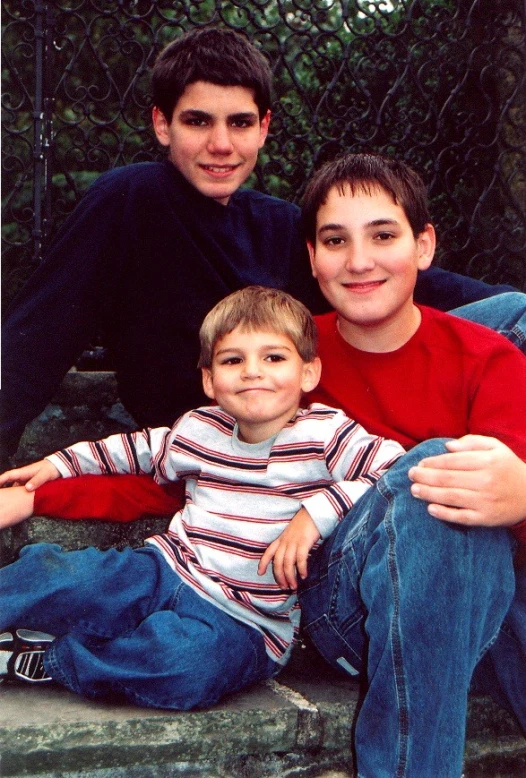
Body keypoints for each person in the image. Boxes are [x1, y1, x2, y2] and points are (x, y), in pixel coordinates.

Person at [1, 26, 524, 475]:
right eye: (199, 121)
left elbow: (414, 281)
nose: (222, 145)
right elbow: (38, 334)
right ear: (163, 124)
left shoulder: (277, 221)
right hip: (232, 436)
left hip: (326, 413)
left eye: (240, 123)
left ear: (264, 126)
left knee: (516, 311)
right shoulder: (132, 200)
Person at [0, 286, 405, 708]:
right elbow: (135, 450)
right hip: (165, 569)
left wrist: (315, 515)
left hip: (244, 622)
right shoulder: (199, 429)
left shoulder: (327, 434)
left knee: (184, 665)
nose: (252, 372)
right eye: (233, 360)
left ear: (308, 373)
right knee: (65, 574)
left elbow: (395, 471)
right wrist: (58, 465)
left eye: (274, 357)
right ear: (210, 380)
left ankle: (57, 659)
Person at [294, 152, 525, 778]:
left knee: (466, 490)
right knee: (435, 472)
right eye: (335, 241)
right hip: (343, 612)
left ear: (424, 246)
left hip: (472, 605)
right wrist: (51, 485)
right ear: (312, 258)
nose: (360, 261)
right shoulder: (285, 358)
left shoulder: (488, 356)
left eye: (384, 236)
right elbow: (193, 457)